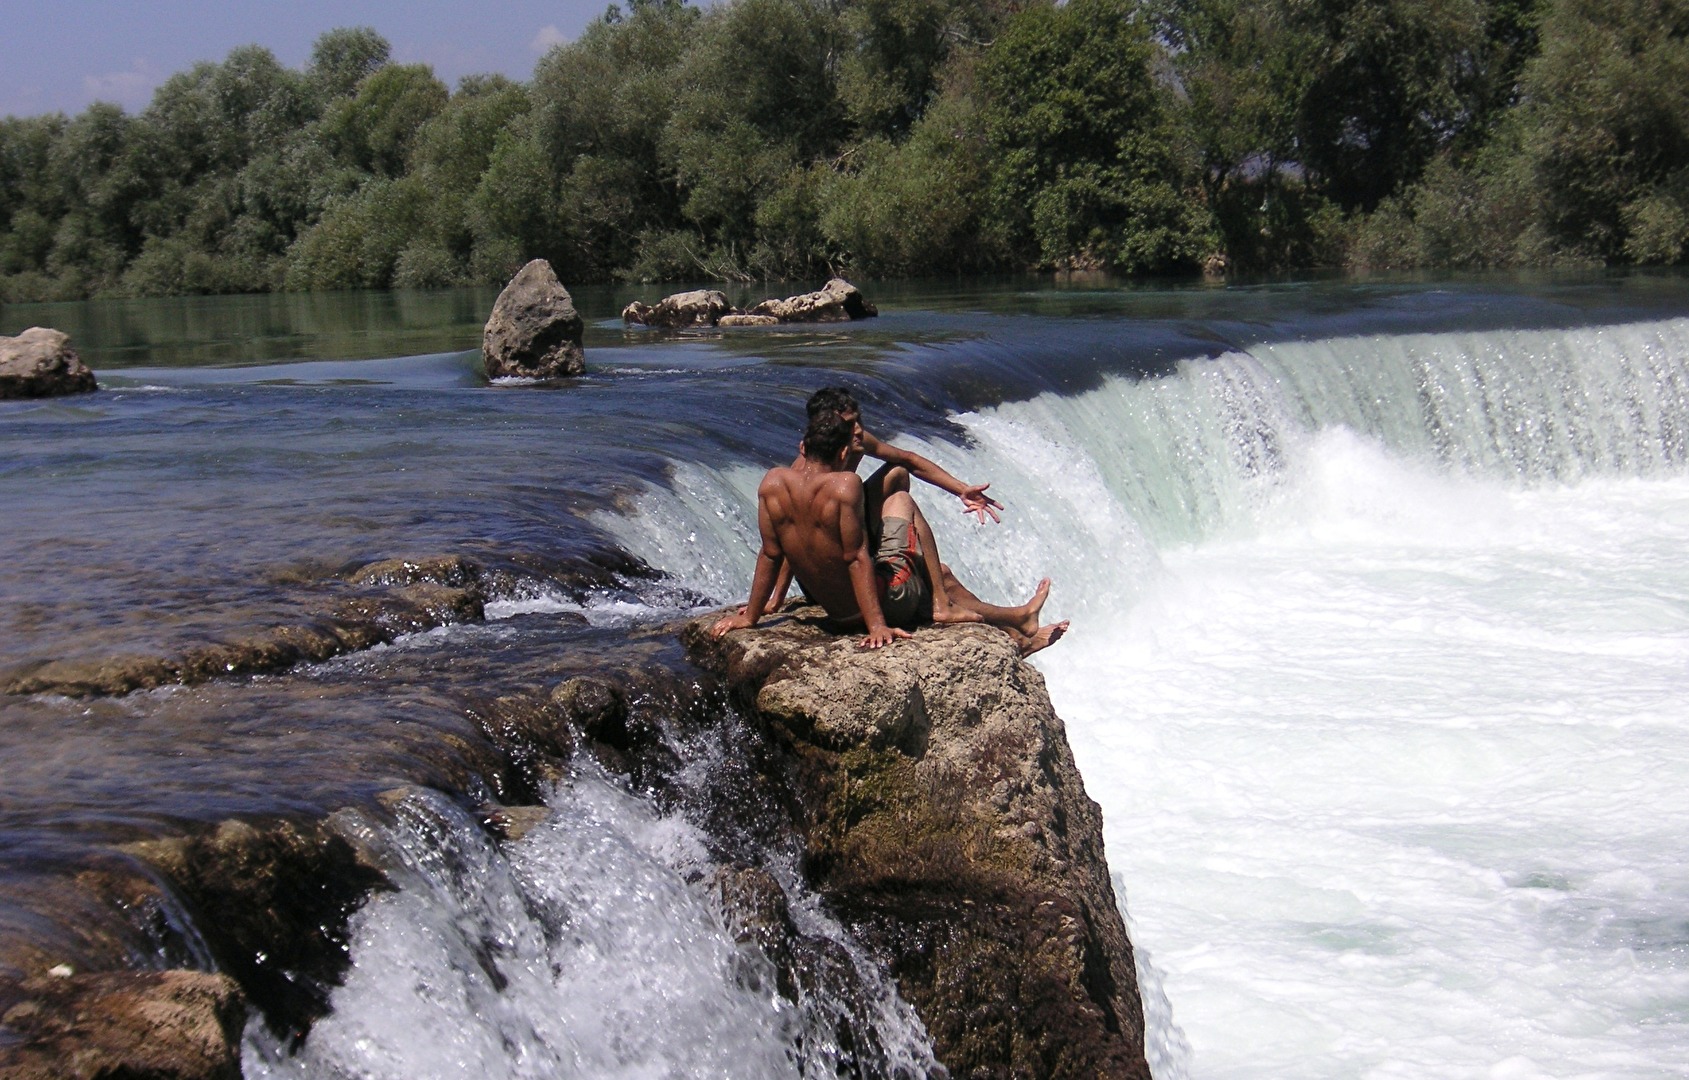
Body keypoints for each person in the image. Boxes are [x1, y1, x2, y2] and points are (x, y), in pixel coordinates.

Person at [711, 411, 1067, 654]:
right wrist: (876, 625)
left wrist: (753, 616)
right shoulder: (844, 486)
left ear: (804, 447)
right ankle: (996, 619)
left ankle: (1017, 628)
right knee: (905, 507)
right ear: (841, 450)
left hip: (835, 611)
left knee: (936, 571)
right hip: (877, 607)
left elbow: (773, 552)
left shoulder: (772, 482)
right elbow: (855, 558)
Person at [760, 386, 1005, 625]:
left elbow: (911, 460)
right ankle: (977, 613)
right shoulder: (805, 470)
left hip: (846, 530)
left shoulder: (855, 443)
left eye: (858, 420)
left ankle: (1018, 627)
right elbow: (791, 538)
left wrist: (961, 489)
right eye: (848, 424)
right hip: (829, 571)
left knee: (898, 472)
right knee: (937, 568)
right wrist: (777, 599)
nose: (858, 430)